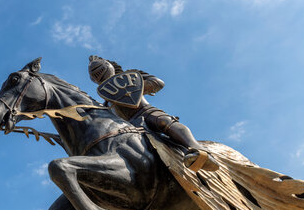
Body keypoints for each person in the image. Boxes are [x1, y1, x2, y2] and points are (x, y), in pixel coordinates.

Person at [88, 55, 219, 172]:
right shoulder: (106, 103)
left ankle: (201, 152)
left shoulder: (132, 76)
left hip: (146, 112)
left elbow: (157, 83)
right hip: (129, 128)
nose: (95, 73)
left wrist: (136, 88)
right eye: (93, 74)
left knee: (164, 122)